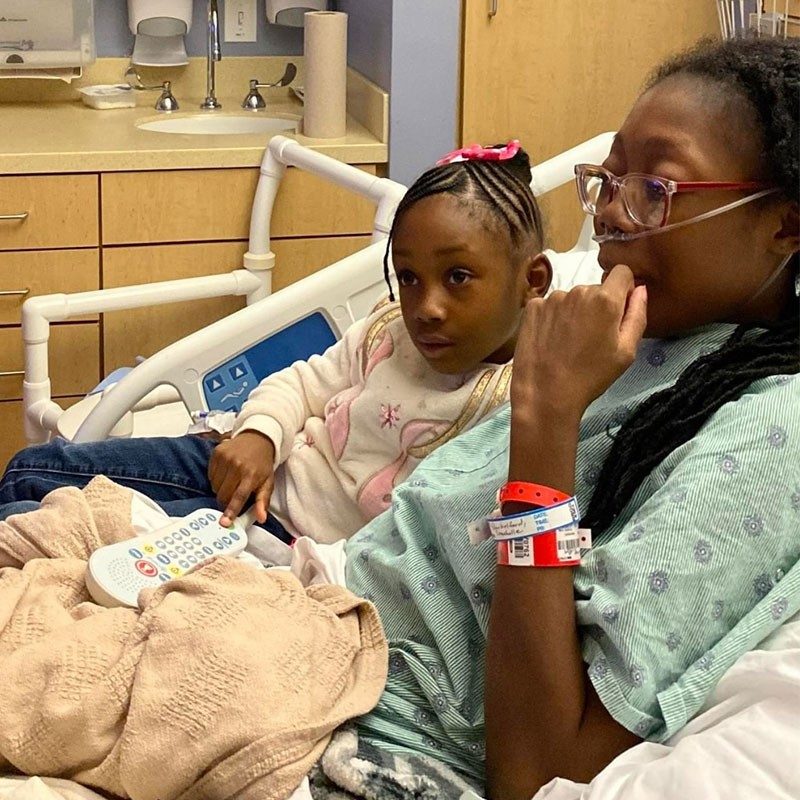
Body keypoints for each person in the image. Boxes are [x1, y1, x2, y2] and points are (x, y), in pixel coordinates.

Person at [337, 36, 799, 799]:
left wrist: (544, 423)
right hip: (332, 617)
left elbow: (537, 771)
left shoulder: (771, 428)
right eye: (609, 180)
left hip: (391, 732)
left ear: (784, 225)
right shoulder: (660, 339)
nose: (611, 214)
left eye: (655, 186)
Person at [0, 142, 551, 544]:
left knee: (31, 520)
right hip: (246, 464)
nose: (426, 307)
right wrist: (261, 435)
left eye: (458, 277)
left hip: (280, 537)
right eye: (408, 277)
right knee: (29, 468)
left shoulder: (513, 407)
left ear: (533, 282)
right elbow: (303, 382)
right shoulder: (390, 335)